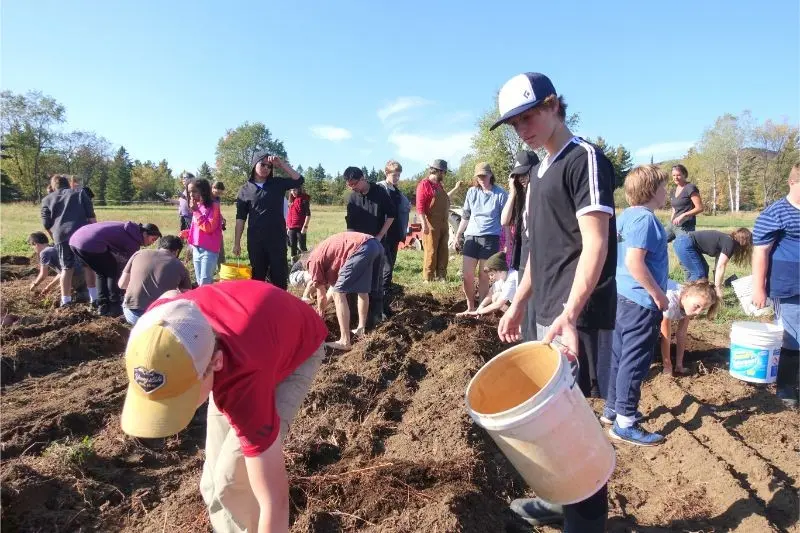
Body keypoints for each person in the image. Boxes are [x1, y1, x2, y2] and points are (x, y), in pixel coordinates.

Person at [493, 72, 615, 531]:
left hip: (574, 316)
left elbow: (595, 244)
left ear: (552, 105)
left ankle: (582, 522)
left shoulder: (582, 159)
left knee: (573, 428)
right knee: (550, 426)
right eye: (514, 123)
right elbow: (536, 252)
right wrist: (517, 302)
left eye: (528, 116)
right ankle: (561, 503)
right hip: (546, 312)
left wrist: (570, 313)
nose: (522, 128)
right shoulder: (539, 171)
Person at [119, 280, 327, 533]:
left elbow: (275, 500)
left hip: (298, 346)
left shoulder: (244, 379)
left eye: (181, 396)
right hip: (257, 332)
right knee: (212, 483)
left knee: (233, 479)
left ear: (216, 363)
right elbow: (171, 292)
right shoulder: (159, 329)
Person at [601, 165, 669, 447]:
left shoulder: (625, 217)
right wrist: (659, 296)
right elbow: (634, 262)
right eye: (664, 187)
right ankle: (625, 423)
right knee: (635, 361)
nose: (668, 192)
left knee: (619, 355)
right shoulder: (646, 220)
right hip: (640, 301)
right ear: (652, 190)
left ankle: (613, 409)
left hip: (622, 296)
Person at [752, 162, 800, 408]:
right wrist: (758, 288)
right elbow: (760, 251)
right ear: (792, 183)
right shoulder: (776, 212)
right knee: (793, 336)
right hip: (788, 284)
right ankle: (786, 386)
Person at [233, 152, 303, 289]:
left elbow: (299, 180)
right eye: (263, 164)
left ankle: (280, 306)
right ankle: (260, 306)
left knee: (280, 277)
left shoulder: (277, 184)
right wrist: (236, 243)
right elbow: (241, 218)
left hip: (277, 239)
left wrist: (281, 164)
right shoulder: (245, 190)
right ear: (254, 165)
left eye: (269, 166)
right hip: (256, 240)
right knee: (258, 277)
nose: (266, 168)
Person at [304, 231, 383, 351]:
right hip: (373, 244)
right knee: (362, 290)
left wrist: (319, 312)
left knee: (339, 293)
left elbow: (322, 295)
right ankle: (361, 329)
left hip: (360, 248)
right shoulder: (326, 255)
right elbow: (333, 286)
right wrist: (323, 307)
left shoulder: (313, 262)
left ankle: (344, 341)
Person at [70, 221, 162, 317]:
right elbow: (129, 267)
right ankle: (115, 305)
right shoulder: (133, 241)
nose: (152, 243)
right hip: (90, 243)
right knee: (112, 272)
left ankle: (103, 305)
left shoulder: (130, 230)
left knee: (101, 272)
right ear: (145, 234)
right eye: (153, 239)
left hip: (75, 240)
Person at [455, 163, 508, 313]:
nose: (482, 179)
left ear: (491, 175)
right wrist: (458, 235)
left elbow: (505, 221)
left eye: (484, 176)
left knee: (484, 275)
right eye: (479, 176)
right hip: (472, 236)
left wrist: (507, 242)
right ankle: (470, 307)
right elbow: (466, 216)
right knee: (467, 275)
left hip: (491, 238)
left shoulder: (500, 194)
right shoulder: (472, 192)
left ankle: (481, 309)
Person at [40, 174, 98, 307]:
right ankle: (94, 299)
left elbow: (46, 224)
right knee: (88, 266)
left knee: (66, 267)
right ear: (68, 184)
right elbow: (91, 217)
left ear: (54, 187)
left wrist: (54, 237)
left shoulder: (46, 200)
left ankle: (65, 301)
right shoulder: (80, 194)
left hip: (61, 235)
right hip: (82, 234)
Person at [118, 235, 192, 325]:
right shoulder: (180, 266)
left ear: (160, 246)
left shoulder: (139, 254)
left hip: (132, 314)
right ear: (176, 252)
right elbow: (187, 296)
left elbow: (122, 284)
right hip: (159, 318)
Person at [659, 280, 720, 376]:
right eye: (697, 306)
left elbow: (681, 334)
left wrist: (679, 364)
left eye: (703, 309)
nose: (698, 312)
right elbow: (666, 337)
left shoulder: (688, 303)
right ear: (686, 295)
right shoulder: (670, 303)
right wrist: (667, 366)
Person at [673, 228, 753, 296]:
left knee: (704, 269)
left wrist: (716, 286)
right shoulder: (730, 243)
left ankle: (691, 295)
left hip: (684, 242)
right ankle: (683, 296)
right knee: (699, 274)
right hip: (684, 243)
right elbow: (721, 266)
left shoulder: (727, 241)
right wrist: (718, 289)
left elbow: (718, 265)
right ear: (744, 241)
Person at [377, 160, 411, 316]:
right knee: (385, 270)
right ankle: (379, 308)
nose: (396, 177)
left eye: (398, 175)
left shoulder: (397, 192)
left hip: (394, 236)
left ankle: (384, 306)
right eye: (394, 174)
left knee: (388, 272)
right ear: (386, 173)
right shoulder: (380, 188)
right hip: (382, 235)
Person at [501, 151, 540, 272]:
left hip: (538, 255)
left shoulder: (542, 194)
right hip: (521, 254)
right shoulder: (519, 196)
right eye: (518, 175)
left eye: (525, 173)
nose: (521, 178)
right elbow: (504, 221)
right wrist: (512, 192)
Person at [415, 160, 451, 282]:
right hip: (430, 223)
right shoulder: (424, 185)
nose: (444, 175)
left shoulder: (440, 186)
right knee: (430, 250)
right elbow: (419, 207)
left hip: (444, 223)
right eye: (444, 173)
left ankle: (441, 276)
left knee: (443, 250)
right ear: (439, 171)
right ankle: (428, 277)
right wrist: (424, 224)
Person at [344, 166, 396, 240]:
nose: (352, 187)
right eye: (349, 185)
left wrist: (380, 236)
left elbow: (391, 215)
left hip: (376, 241)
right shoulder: (352, 197)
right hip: (358, 242)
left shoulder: (380, 192)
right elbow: (350, 223)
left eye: (354, 184)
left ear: (362, 178)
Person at [188, 178, 223, 286]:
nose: (191, 195)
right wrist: (188, 233)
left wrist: (196, 211)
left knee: (205, 282)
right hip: (196, 248)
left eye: (194, 191)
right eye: (189, 192)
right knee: (199, 282)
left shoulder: (214, 207)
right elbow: (197, 226)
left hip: (208, 250)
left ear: (203, 191)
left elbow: (209, 228)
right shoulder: (197, 206)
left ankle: (208, 302)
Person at [460, 251, 517, 316]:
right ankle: (509, 313)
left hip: (525, 306)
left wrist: (479, 312)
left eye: (492, 274)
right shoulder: (502, 276)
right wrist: (481, 306)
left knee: (498, 300)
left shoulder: (511, 280)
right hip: (516, 302)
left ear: (499, 270)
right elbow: (491, 292)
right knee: (495, 296)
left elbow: (499, 304)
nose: (490, 278)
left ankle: (513, 316)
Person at [669, 164, 703, 238]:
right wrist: (671, 221)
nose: (675, 178)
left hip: (686, 227)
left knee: (684, 248)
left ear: (684, 175)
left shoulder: (690, 188)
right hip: (673, 225)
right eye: (673, 175)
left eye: (678, 175)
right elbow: (674, 209)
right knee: (658, 241)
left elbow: (700, 208)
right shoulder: (673, 190)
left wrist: (683, 215)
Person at [286, 186, 311, 258]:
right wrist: (288, 227)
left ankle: (306, 263)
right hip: (291, 228)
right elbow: (290, 215)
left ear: (299, 190)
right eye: (291, 190)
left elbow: (308, 214)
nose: (293, 192)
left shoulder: (303, 199)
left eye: (294, 190)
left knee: (302, 247)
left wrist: (305, 227)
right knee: (293, 247)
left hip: (300, 228)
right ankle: (294, 264)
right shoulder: (292, 201)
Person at [212, 181, 227, 268]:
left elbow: (217, 211)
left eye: (220, 193)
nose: (218, 194)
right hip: (208, 227)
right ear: (212, 188)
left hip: (217, 227)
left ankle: (222, 268)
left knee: (220, 247)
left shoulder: (217, 198)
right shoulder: (206, 198)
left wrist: (221, 218)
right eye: (217, 192)